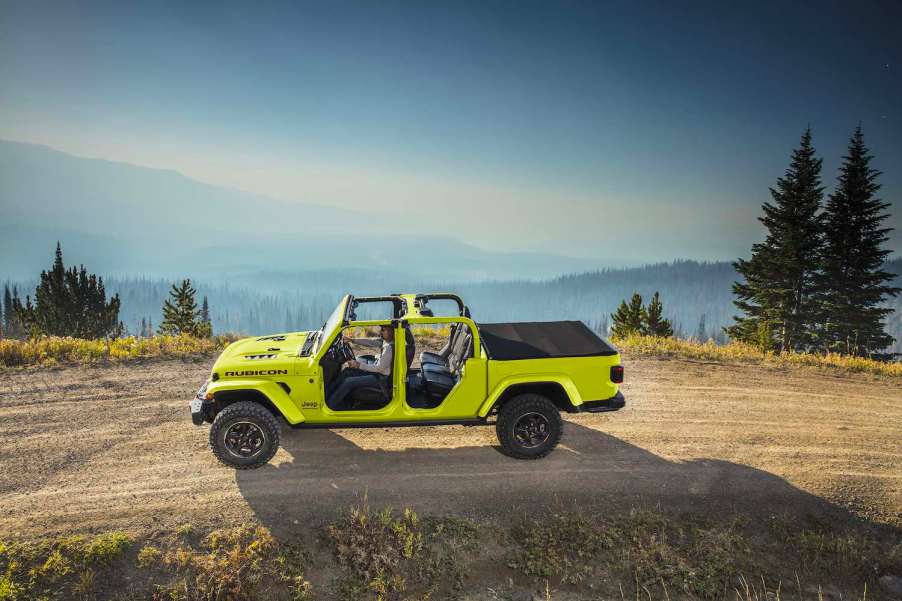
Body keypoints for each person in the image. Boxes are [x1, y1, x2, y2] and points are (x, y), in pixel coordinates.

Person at [326, 324, 394, 410]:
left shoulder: (389, 348)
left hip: (381, 379)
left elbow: (379, 368)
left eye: (383, 330)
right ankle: (328, 394)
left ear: (391, 332)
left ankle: (331, 405)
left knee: (348, 381)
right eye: (381, 329)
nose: (381, 331)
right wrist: (352, 340)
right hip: (377, 374)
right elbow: (371, 342)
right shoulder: (386, 342)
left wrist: (359, 365)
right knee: (347, 371)